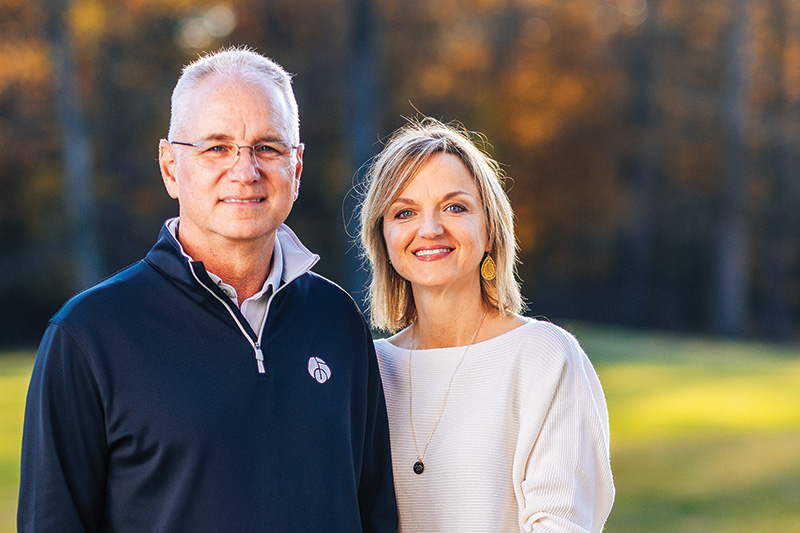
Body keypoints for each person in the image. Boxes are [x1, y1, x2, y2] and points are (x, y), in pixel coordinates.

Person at [18, 47, 397, 532]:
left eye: (268, 147)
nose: (245, 171)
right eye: (217, 147)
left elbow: (376, 514)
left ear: (296, 169)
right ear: (171, 167)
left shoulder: (337, 320)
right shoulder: (88, 336)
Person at [359, 118, 614, 532]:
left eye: (455, 207)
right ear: (384, 239)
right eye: (405, 212)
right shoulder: (366, 369)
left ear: (491, 229)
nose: (430, 229)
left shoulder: (544, 358)